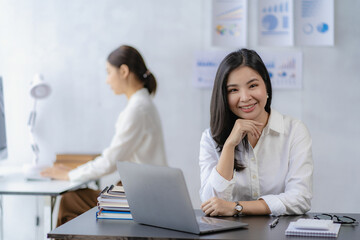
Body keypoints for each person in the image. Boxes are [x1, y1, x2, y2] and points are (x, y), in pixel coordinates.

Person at [41, 45, 167, 226]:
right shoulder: (142, 103)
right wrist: (73, 173)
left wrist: (70, 175)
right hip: (144, 192)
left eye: (109, 72)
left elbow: (110, 162)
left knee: (70, 201)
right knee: (76, 199)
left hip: (142, 199)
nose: (107, 80)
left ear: (123, 71)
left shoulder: (138, 108)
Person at [199, 48, 313, 217]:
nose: (245, 97)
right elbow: (211, 203)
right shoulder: (210, 138)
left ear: (266, 85)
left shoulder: (294, 130)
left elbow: (300, 198)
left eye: (252, 86)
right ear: (224, 96)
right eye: (233, 90)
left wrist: (236, 207)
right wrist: (229, 145)